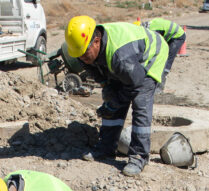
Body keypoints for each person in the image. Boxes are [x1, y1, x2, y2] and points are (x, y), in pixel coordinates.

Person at [65, 15, 168, 177]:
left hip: (151, 56)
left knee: (140, 102)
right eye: (79, 55)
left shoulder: (120, 57)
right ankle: (107, 146)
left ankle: (139, 156)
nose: (82, 58)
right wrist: (108, 90)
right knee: (111, 96)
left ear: (97, 41)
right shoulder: (83, 50)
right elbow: (95, 71)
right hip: (128, 64)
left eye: (84, 54)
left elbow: (135, 84)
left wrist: (117, 101)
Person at [138, 17, 185, 92]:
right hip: (171, 34)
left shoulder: (152, 31)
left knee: (166, 60)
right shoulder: (150, 25)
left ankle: (160, 88)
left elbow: (155, 45)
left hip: (178, 36)